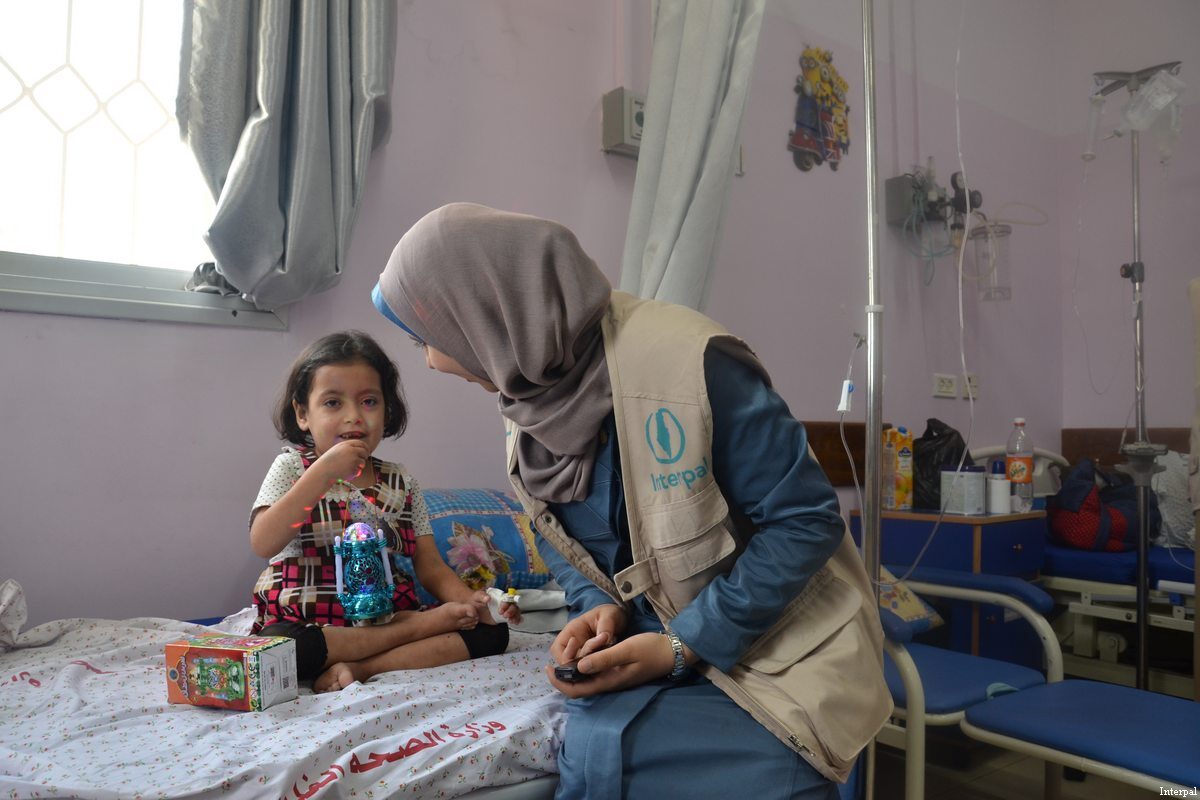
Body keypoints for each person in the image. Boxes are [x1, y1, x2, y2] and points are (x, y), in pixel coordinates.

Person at [373, 204, 891, 799]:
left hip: (779, 655)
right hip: (658, 645)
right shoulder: (529, 396)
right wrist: (599, 605)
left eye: (428, 340)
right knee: (594, 754)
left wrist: (684, 643)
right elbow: (556, 531)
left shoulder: (692, 367)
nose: (435, 362)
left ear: (492, 311)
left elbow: (805, 522)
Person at [248, 330, 518, 693]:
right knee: (279, 649)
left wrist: (469, 600)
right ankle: (414, 631)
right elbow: (264, 542)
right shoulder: (291, 468)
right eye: (332, 403)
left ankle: (363, 668)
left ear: (387, 409)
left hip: (382, 617)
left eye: (369, 402)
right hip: (313, 622)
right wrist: (323, 472)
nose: (353, 416)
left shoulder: (400, 480)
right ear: (302, 414)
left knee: (493, 634)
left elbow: (430, 565)